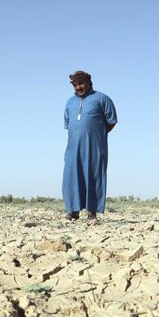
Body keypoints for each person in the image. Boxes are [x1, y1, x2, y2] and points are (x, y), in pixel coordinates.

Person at [62, 70, 117, 225]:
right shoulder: (70, 102)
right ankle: (73, 211)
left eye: (81, 83)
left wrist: (98, 134)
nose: (78, 87)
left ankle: (92, 212)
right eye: (75, 85)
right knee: (71, 175)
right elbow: (69, 125)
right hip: (73, 147)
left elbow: (111, 121)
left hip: (95, 146)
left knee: (94, 175)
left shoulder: (102, 99)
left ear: (88, 82)